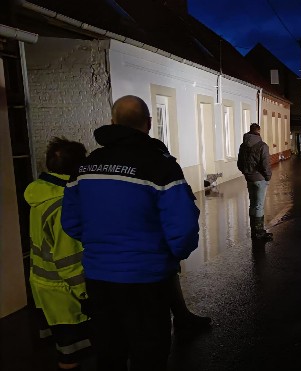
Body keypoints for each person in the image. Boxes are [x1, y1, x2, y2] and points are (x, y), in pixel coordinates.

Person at [61, 95, 200, 371]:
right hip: (147, 280)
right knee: (149, 354)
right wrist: (170, 256)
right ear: (149, 124)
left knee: (109, 354)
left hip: (99, 280)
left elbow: (71, 222)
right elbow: (183, 227)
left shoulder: (85, 167)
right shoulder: (160, 166)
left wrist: (102, 247)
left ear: (113, 122)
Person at [25, 137, 91, 371]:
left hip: (42, 284)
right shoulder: (65, 204)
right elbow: (69, 257)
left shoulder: (39, 193)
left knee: (60, 345)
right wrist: (85, 293)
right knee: (71, 353)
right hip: (63, 290)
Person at [237, 123, 273, 241]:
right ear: (258, 131)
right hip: (260, 179)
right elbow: (266, 164)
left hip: (249, 178)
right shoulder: (262, 146)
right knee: (259, 206)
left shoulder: (243, 146)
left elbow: (239, 163)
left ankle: (254, 231)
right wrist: (267, 176)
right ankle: (259, 233)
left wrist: (246, 173)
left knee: (252, 204)